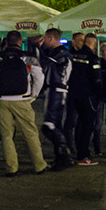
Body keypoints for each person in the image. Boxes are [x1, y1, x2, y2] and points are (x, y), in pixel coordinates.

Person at [0, 31, 47, 176]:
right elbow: (39, 78)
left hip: (3, 100)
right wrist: (33, 95)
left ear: (6, 41)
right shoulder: (28, 58)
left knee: (6, 135)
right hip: (22, 99)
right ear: (20, 41)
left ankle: (11, 168)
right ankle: (39, 165)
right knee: (30, 133)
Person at [37, 28, 74, 171]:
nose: (44, 41)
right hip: (57, 90)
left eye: (45, 38)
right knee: (55, 125)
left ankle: (65, 155)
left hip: (56, 90)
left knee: (49, 126)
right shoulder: (61, 52)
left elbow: (43, 63)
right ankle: (61, 156)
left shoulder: (60, 53)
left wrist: (38, 47)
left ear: (50, 38)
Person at [66, 32, 101, 165]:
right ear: (94, 44)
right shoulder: (93, 58)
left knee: (78, 126)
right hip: (88, 97)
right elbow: (97, 80)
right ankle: (83, 155)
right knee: (87, 127)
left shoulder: (73, 56)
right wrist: (99, 96)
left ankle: (77, 152)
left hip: (74, 95)